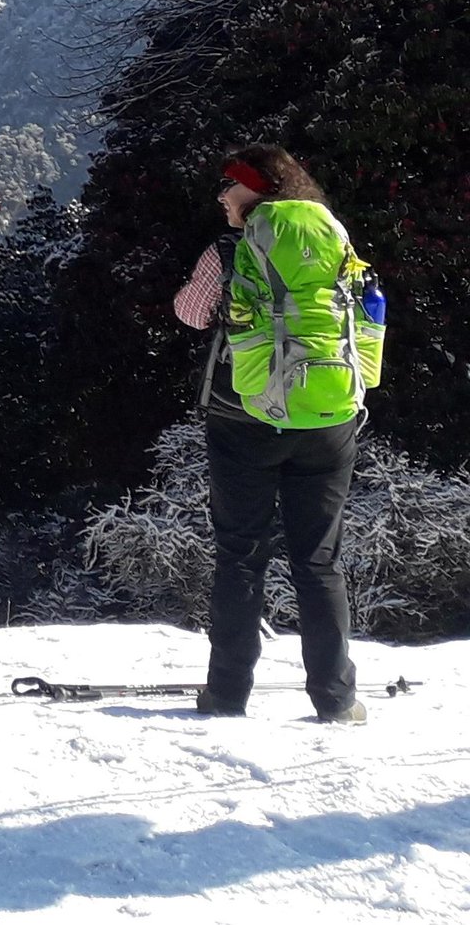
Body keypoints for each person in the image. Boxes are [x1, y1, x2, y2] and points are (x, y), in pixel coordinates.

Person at [173, 146, 366, 725]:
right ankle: (336, 700)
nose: (221, 198)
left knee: (240, 555)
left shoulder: (229, 251)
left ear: (255, 191)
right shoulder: (331, 237)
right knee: (320, 562)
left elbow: (189, 312)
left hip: (244, 419)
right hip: (330, 417)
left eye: (228, 186)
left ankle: (227, 695)